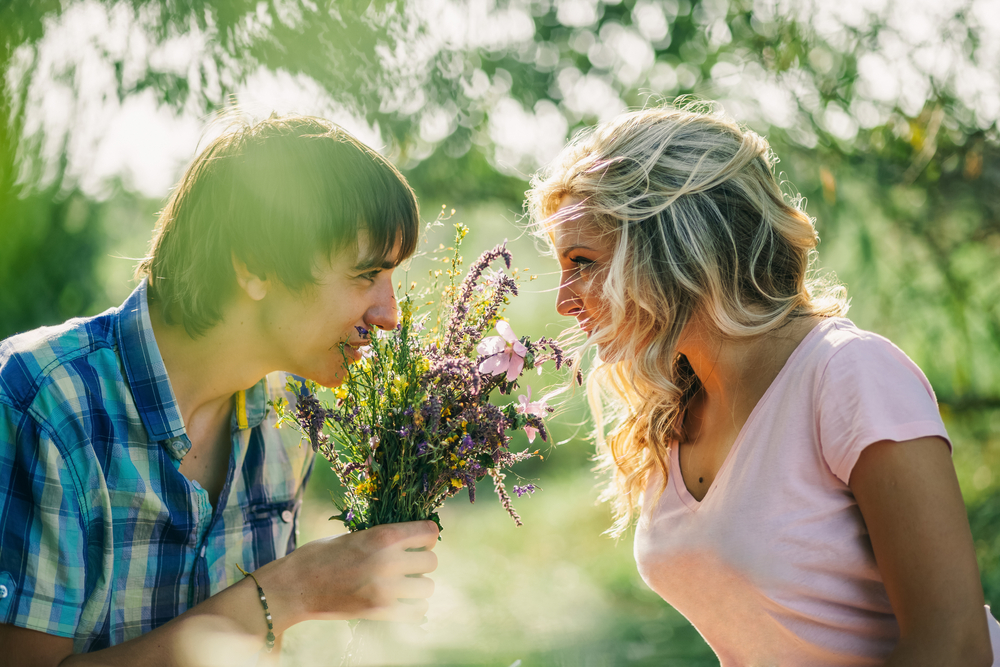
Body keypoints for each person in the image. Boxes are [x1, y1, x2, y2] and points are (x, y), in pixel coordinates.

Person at [528, 103, 1000, 666]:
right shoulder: (673, 412)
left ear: (676, 247)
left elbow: (955, 649)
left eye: (583, 261)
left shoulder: (849, 375)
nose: (564, 301)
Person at [0, 114, 439, 664]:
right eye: (365, 275)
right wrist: (285, 593)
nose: (390, 315)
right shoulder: (46, 402)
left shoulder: (288, 418)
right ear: (254, 265)